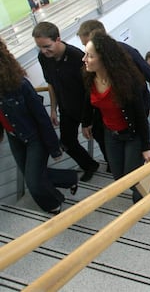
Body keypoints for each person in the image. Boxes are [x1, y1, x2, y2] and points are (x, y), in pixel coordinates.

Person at [0, 39, 78, 215]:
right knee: (33, 175)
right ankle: (69, 178)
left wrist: (54, 148)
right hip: (15, 137)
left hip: (34, 138)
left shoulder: (19, 85)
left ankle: (54, 206)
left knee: (33, 182)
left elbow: (42, 118)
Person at [82, 30, 150, 204]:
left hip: (132, 133)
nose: (84, 59)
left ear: (104, 59)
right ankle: (142, 180)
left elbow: (141, 117)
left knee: (132, 177)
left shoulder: (128, 81)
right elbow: (88, 102)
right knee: (118, 176)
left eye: (90, 56)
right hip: (110, 132)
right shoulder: (88, 76)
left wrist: (146, 146)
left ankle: (145, 189)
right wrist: (86, 123)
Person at [32, 21, 99, 182]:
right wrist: (53, 109)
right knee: (67, 142)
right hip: (66, 108)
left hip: (87, 107)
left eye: (47, 46)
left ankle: (116, 168)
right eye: (40, 47)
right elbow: (51, 84)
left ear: (58, 39)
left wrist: (86, 120)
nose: (43, 51)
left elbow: (90, 88)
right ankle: (89, 165)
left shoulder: (77, 57)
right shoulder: (43, 57)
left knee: (101, 138)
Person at [77, 19, 150, 117]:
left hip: (135, 114)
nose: (86, 52)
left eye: (88, 44)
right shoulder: (92, 65)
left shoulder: (127, 53)